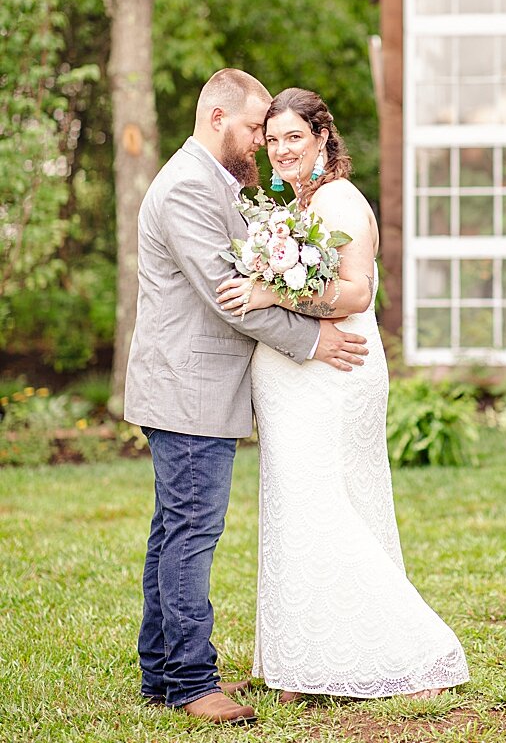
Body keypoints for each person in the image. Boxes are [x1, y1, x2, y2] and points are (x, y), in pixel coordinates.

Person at [125, 68, 369, 724]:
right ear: (217, 119)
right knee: (191, 534)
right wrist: (315, 340)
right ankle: (189, 682)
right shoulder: (186, 190)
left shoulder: (216, 185)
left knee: (175, 531)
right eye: (254, 128)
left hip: (191, 387)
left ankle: (161, 671)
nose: (261, 143)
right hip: (188, 389)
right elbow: (232, 299)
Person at [215, 88, 469, 701]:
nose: (280, 150)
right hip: (297, 380)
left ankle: (414, 652)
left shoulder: (338, 198)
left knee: (323, 508)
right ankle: (309, 660)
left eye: (293, 137)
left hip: (332, 375)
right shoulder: (299, 201)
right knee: (303, 510)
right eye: (273, 140)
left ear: (323, 137)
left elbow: (354, 292)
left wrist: (273, 293)